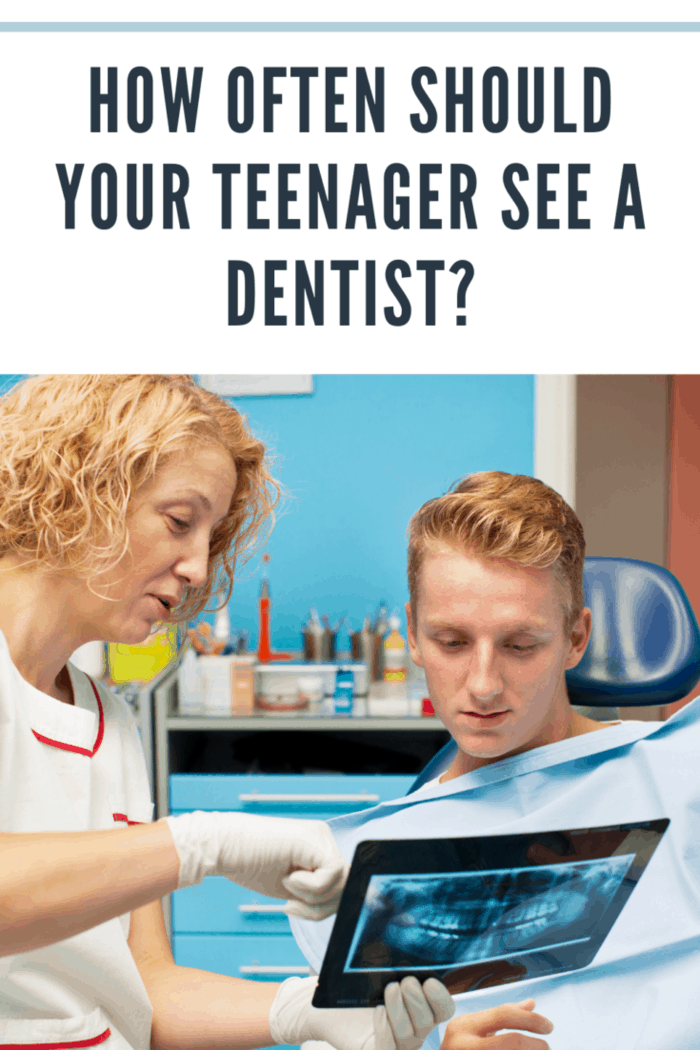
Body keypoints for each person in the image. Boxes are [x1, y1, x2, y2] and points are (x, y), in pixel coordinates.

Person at [0, 379, 548, 1050]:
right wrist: (199, 845)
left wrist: (309, 1010)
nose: (200, 568)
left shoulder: (111, 725)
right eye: (179, 521)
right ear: (81, 489)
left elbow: (146, 991)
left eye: (212, 534)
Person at [290, 471, 700, 1050]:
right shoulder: (371, 865)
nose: (482, 686)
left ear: (576, 637)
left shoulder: (684, 770)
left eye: (520, 645)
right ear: (411, 632)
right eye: (452, 642)